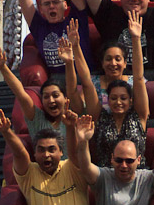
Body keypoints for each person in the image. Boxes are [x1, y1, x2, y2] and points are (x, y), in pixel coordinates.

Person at [59, 14, 148, 166]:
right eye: (113, 98)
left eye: (123, 98)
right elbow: (86, 82)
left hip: (136, 175)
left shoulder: (138, 116)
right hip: (105, 176)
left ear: (131, 100)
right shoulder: (100, 118)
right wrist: (75, 47)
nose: (118, 102)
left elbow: (139, 78)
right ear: (107, 98)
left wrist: (135, 39)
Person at [0, 110, 91, 205]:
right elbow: (20, 153)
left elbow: (75, 153)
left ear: (61, 152)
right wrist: (6, 131)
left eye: (51, 149)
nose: (46, 155)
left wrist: (70, 127)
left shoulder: (72, 168)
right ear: (34, 154)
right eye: (41, 150)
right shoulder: (29, 174)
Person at [0, 45, 69, 149]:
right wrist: (3, 67)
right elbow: (20, 93)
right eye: (46, 97)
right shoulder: (37, 119)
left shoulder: (73, 118)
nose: (51, 100)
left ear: (65, 99)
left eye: (55, 95)